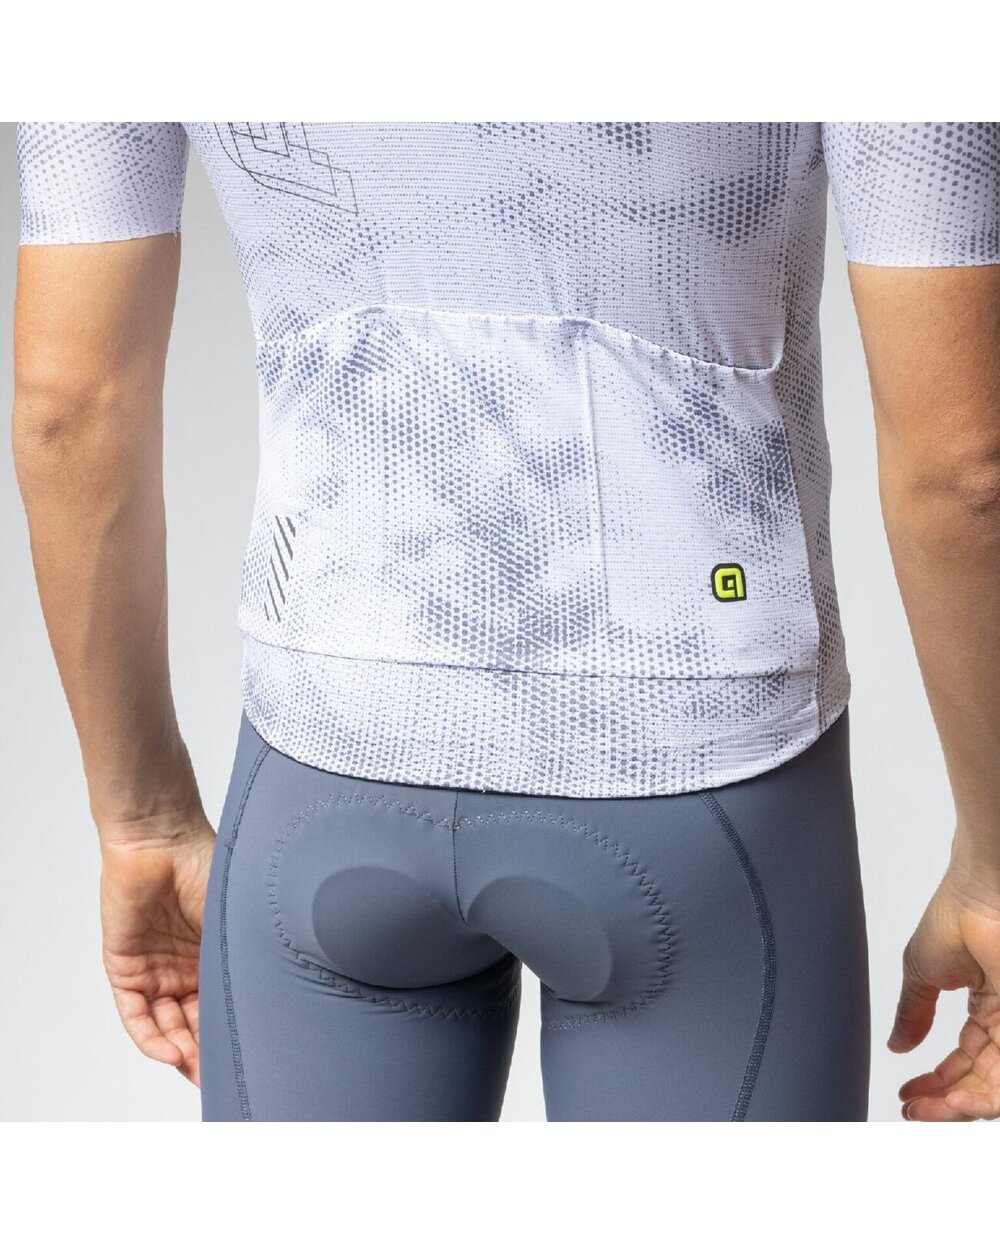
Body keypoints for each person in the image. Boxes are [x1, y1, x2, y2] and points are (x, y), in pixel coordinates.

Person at [12, 122, 1000, 1122]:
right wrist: (995, 869)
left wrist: (139, 817)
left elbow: (68, 406)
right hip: (696, 757)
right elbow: (965, 470)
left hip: (328, 749)